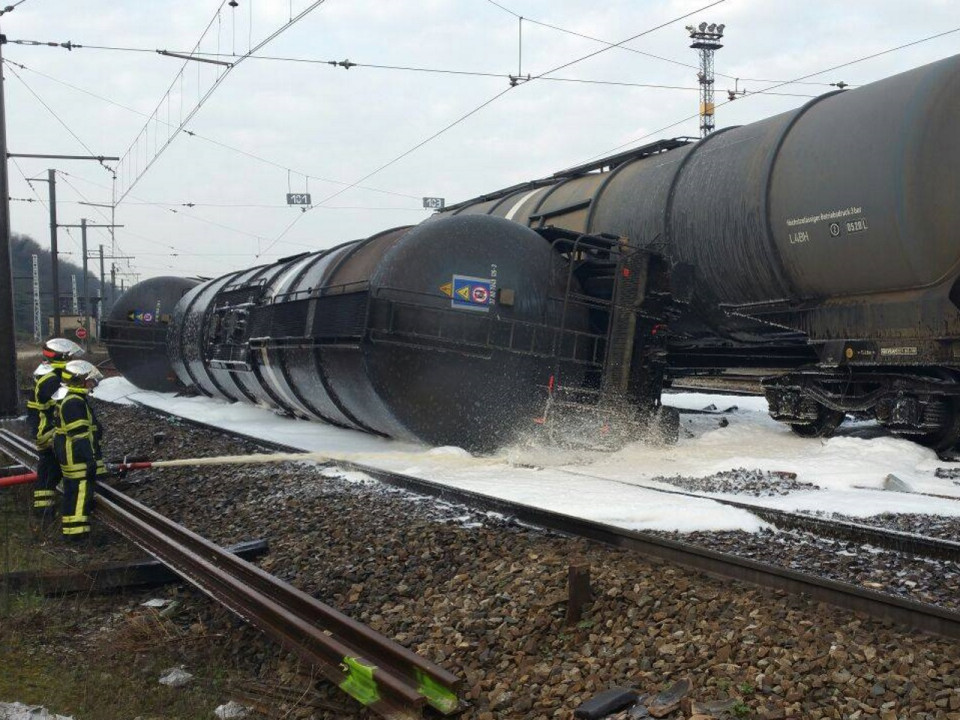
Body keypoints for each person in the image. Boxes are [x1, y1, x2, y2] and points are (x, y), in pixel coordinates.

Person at [25, 338, 84, 518]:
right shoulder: (52, 380)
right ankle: (47, 514)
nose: (72, 360)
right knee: (55, 470)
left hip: (43, 430)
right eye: (70, 357)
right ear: (62, 357)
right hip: (50, 432)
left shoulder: (47, 373)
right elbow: (62, 408)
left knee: (49, 472)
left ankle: (44, 513)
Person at [52, 359, 105, 541]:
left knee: (71, 494)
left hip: (69, 455)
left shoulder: (68, 397)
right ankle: (78, 537)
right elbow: (80, 435)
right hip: (76, 457)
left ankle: (70, 533)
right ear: (79, 381)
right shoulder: (74, 402)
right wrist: (89, 459)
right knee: (81, 495)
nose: (92, 385)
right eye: (89, 381)